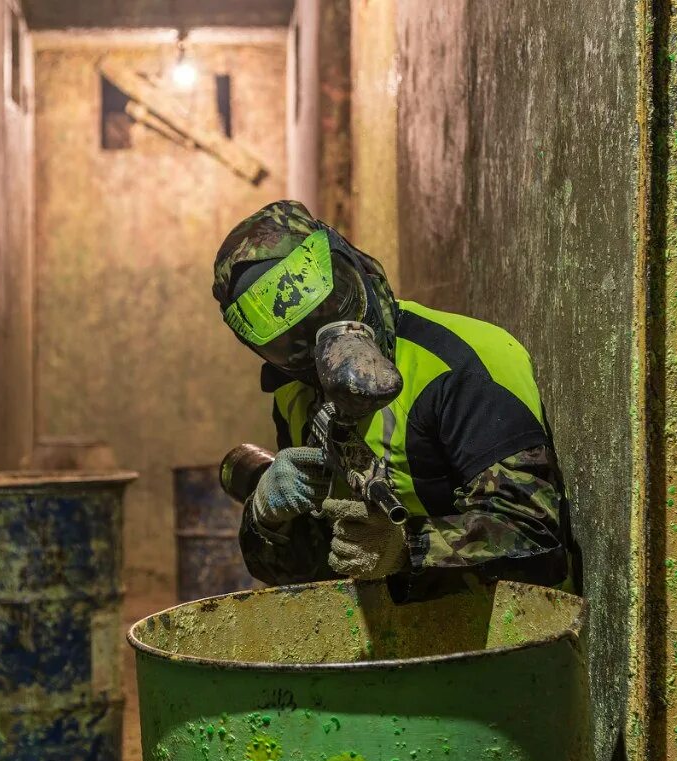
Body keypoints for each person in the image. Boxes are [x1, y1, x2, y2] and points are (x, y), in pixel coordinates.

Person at [212, 200, 576, 600]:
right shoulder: (293, 397)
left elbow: (537, 541)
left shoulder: (461, 363)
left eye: (333, 304)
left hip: (507, 646)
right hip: (390, 649)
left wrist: (407, 549)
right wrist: (268, 520)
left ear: (356, 267)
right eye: (290, 341)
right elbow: (310, 575)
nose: (322, 346)